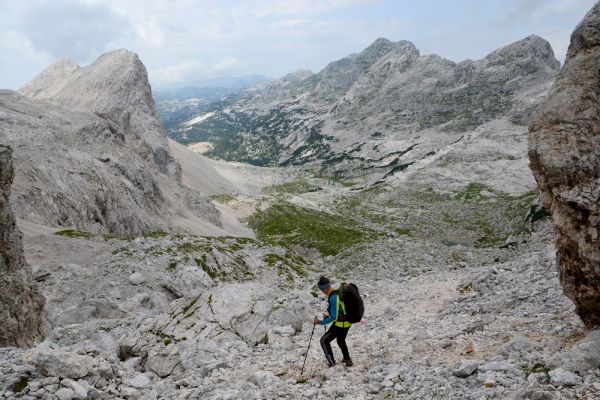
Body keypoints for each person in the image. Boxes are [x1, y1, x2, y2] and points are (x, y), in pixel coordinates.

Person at [313, 276, 353, 367]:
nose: (321, 291)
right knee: (341, 340)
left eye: (321, 289)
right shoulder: (337, 293)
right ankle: (347, 359)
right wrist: (328, 314)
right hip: (347, 322)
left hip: (340, 324)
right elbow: (339, 310)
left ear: (325, 288)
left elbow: (334, 317)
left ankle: (331, 362)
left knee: (324, 341)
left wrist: (320, 322)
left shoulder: (333, 297)